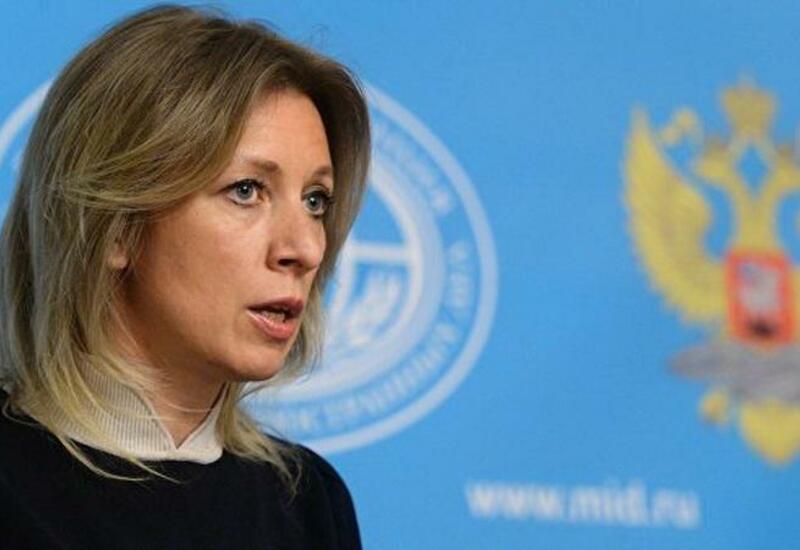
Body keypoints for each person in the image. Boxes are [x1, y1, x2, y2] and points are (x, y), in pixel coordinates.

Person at [0, 4, 369, 549]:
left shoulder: (310, 502)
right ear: (115, 226)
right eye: (246, 190)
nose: (307, 248)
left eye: (316, 200)